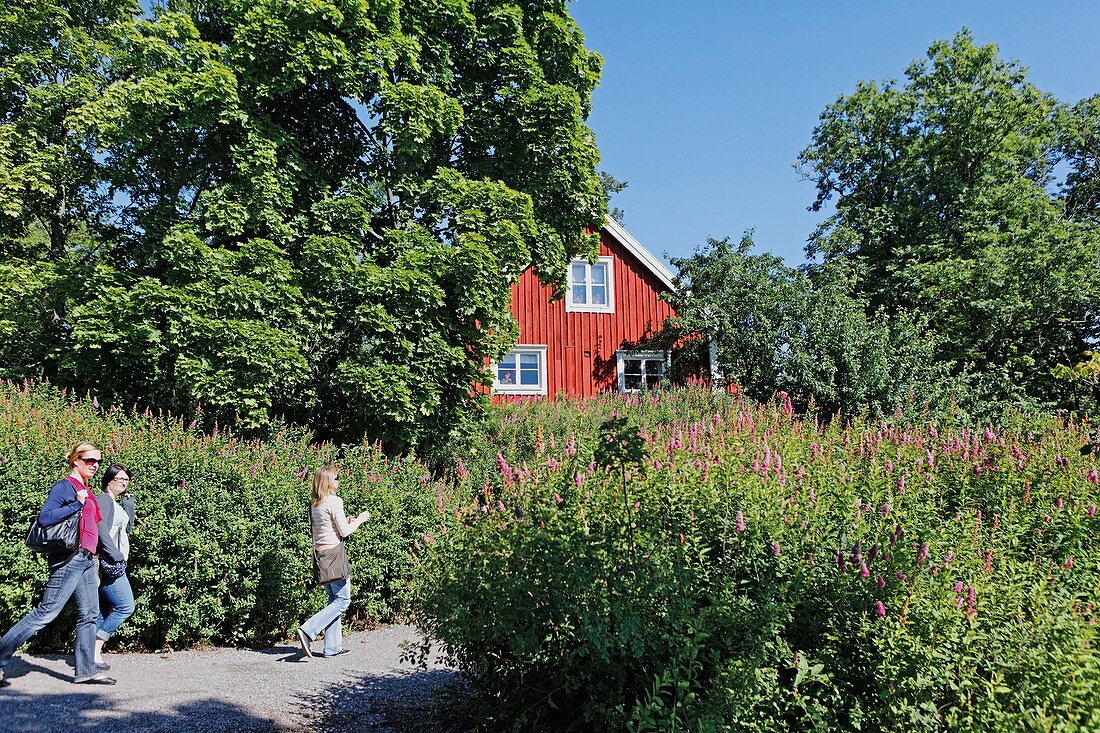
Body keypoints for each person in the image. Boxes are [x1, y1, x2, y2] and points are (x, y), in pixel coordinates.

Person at [0, 443, 118, 686]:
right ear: (76, 460)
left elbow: (95, 527)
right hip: (69, 559)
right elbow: (45, 517)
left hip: (86, 559)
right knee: (46, 612)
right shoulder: (66, 487)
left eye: (97, 461)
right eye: (90, 460)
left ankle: (86, 671)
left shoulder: (86, 489)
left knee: (90, 614)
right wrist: (76, 503)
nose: (95, 465)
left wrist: (107, 553)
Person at [295, 466, 369, 659]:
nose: (338, 481)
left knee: (333, 600)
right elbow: (343, 532)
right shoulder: (335, 501)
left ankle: (332, 648)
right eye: (336, 478)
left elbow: (331, 527)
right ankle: (308, 630)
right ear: (328, 481)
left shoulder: (315, 504)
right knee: (343, 600)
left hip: (321, 556)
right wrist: (359, 520)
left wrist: (348, 520)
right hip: (334, 556)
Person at [94, 464, 137, 670]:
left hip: (114, 561)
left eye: (126, 479)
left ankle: (90, 654)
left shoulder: (115, 502)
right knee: (126, 606)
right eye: (119, 478)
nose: (123, 482)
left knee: (104, 609)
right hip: (109, 562)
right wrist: (115, 554)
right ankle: (95, 646)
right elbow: (100, 528)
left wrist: (129, 505)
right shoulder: (103, 499)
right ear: (108, 480)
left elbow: (126, 528)